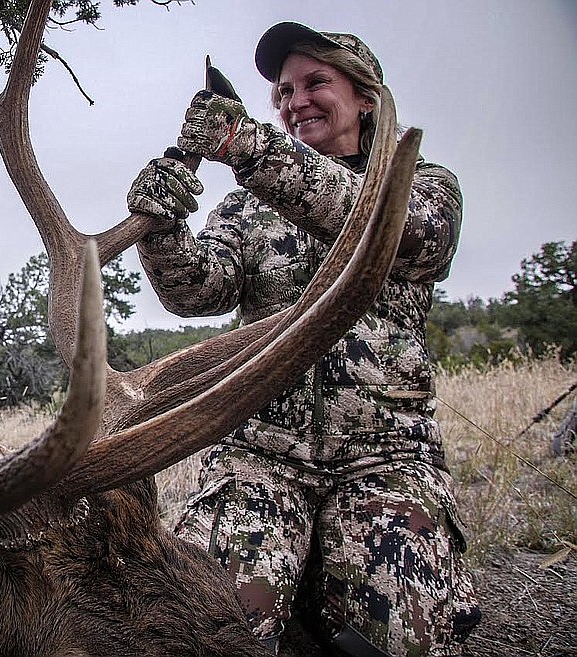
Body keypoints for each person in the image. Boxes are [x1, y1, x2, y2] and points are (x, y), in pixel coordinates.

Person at [125, 22, 481, 657]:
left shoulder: (422, 184)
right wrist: (161, 224)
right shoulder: (250, 207)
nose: (297, 100)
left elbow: (403, 236)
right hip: (260, 454)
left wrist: (249, 148)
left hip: (387, 459)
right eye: (284, 91)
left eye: (317, 82)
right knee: (198, 632)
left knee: (396, 641)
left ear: (367, 97)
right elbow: (196, 291)